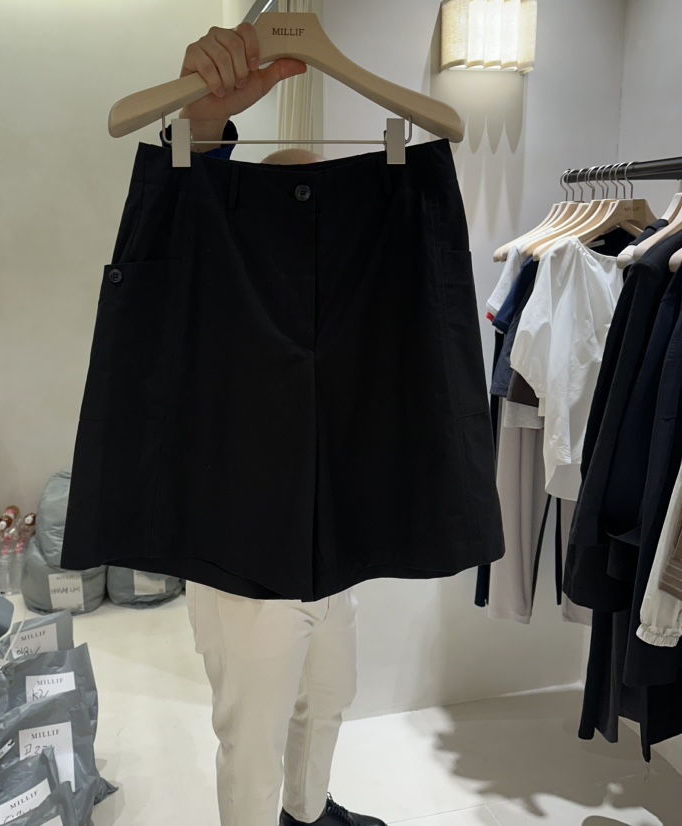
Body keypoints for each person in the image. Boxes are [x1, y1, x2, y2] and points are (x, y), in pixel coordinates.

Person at [176, 22, 388, 826]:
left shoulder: (345, 307)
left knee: (328, 700)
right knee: (252, 739)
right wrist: (204, 126)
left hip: (330, 549)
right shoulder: (219, 295)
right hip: (242, 559)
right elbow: (184, 224)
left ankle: (309, 813)